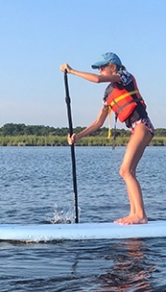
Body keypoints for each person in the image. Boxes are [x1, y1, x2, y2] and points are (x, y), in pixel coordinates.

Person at [60, 53, 154, 225]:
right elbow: (98, 122)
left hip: (142, 125)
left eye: (103, 66)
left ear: (114, 66)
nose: (100, 70)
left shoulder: (124, 76)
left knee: (125, 171)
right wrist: (78, 137)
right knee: (127, 172)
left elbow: (96, 80)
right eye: (99, 68)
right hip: (136, 129)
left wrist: (72, 71)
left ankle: (140, 215)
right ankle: (135, 213)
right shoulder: (108, 94)